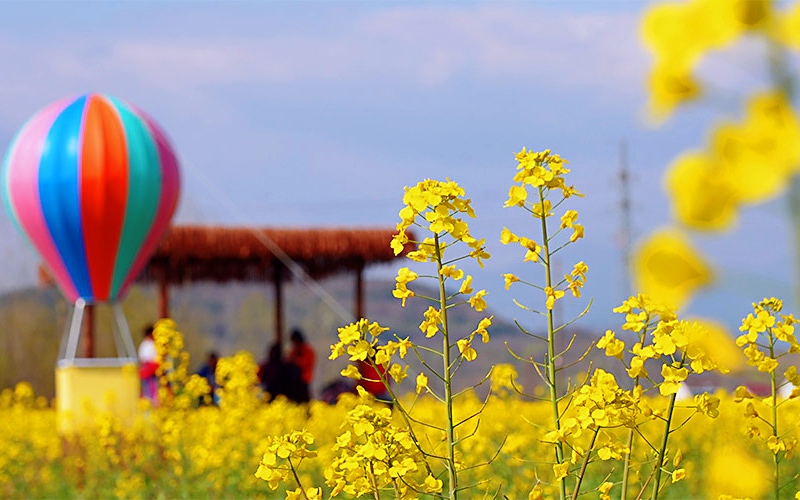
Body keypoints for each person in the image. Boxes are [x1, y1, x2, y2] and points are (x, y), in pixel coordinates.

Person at [287, 328, 315, 403]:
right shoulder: (293, 350)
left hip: (304, 379)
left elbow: (308, 363)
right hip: (294, 382)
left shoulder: (307, 350)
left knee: (304, 401)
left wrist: (296, 361)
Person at [138, 324, 159, 405]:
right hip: (150, 374)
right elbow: (146, 361)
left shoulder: (145, 345)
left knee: (152, 397)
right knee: (151, 397)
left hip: (150, 374)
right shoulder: (148, 345)